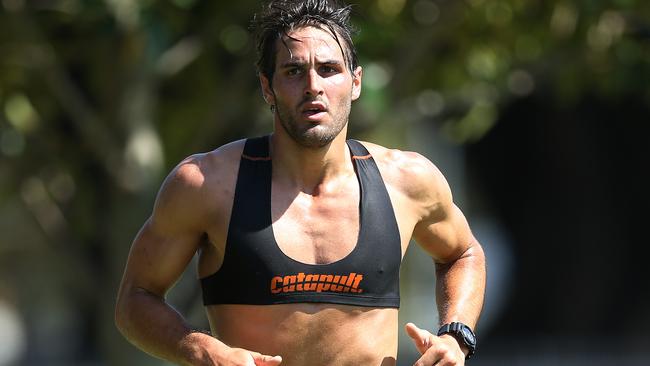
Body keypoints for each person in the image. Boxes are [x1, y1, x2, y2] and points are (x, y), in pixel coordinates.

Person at [114, 0, 486, 365]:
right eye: (293, 71)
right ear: (267, 87)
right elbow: (136, 298)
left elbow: (464, 253)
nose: (313, 86)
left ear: (355, 82)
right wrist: (202, 349)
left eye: (328, 69)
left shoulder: (406, 181)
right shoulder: (207, 184)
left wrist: (456, 335)